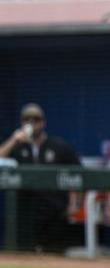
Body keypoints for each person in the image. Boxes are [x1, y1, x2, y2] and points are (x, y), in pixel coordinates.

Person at [0, 104, 81, 250]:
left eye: (36, 119)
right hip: (24, 212)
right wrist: (13, 140)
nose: (31, 123)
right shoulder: (17, 147)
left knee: (54, 255)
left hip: (54, 211)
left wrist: (74, 203)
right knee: (23, 255)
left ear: (43, 122)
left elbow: (77, 174)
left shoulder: (59, 146)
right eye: (27, 120)